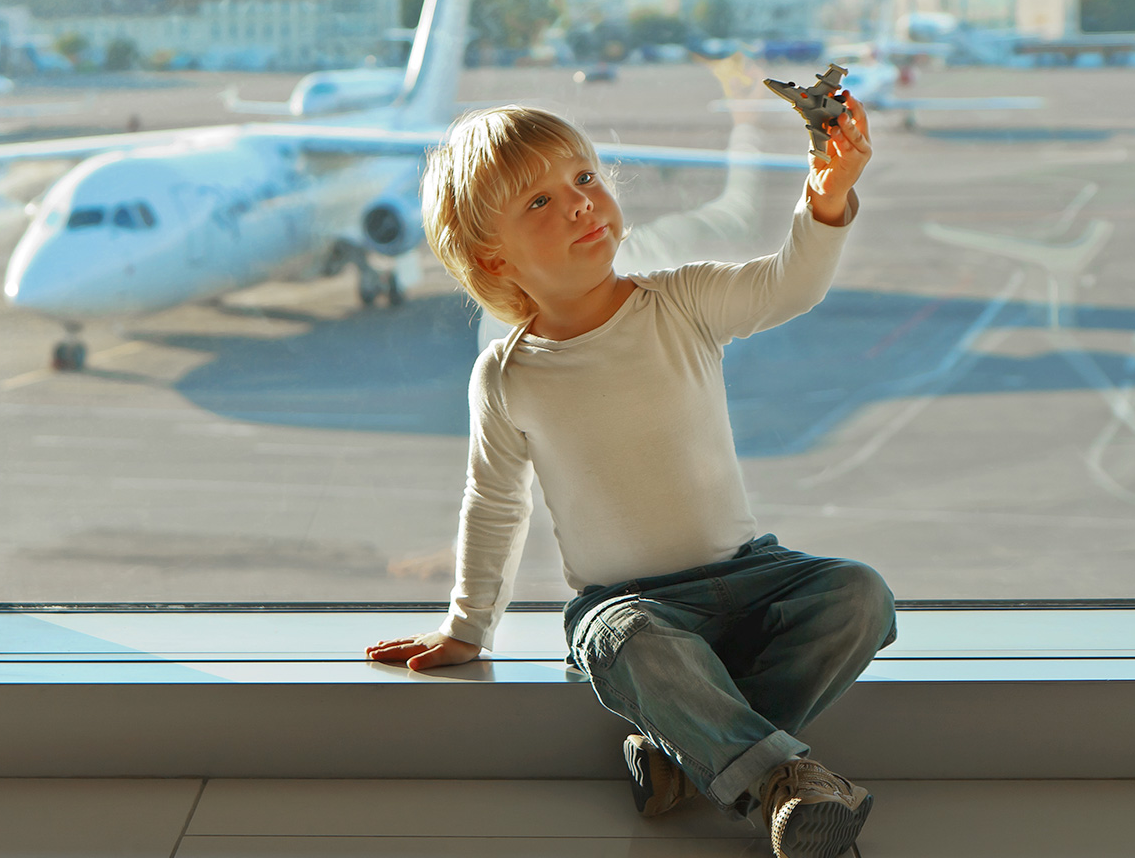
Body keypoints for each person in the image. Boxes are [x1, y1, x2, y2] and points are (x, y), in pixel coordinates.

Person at [366, 94, 896, 858]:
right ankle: (785, 780)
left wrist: (828, 195)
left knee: (860, 596)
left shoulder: (678, 302)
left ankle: (692, 753)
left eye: (585, 176)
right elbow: (493, 503)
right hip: (631, 606)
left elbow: (792, 285)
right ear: (493, 258)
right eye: (542, 200)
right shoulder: (508, 376)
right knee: (627, 642)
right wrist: (466, 627)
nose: (582, 203)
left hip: (749, 576)